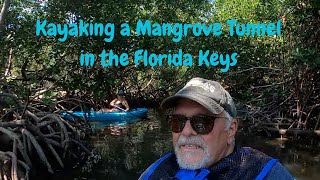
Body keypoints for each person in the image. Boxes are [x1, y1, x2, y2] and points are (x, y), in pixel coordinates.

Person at [139, 77, 293, 180]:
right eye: (177, 121)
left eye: (202, 122)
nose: (186, 131)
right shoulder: (156, 172)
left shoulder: (264, 173)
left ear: (231, 129)